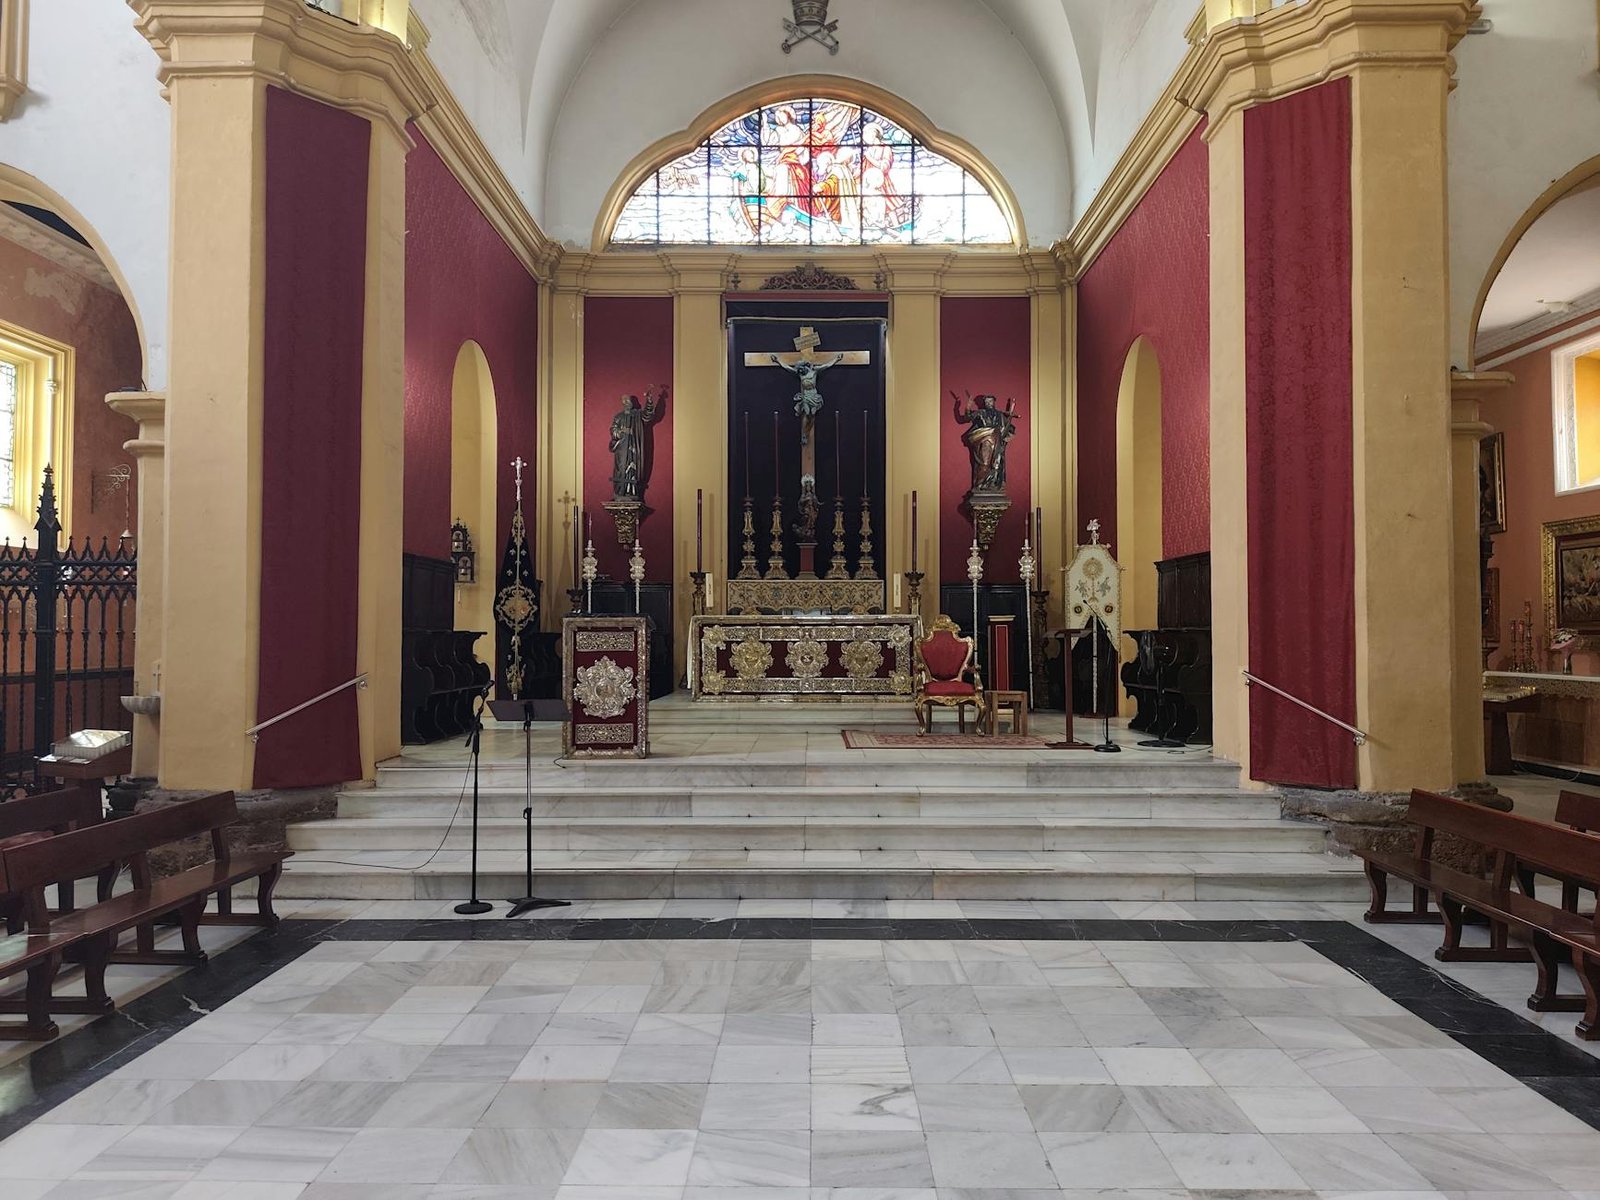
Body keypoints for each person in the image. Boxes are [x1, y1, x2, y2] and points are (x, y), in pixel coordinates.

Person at [954, 392, 1017, 491]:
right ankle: (979, 484)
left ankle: (993, 484)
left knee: (997, 464)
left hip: (997, 441)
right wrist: (968, 406)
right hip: (984, 440)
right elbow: (966, 418)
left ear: (994, 402)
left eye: (990, 401)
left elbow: (1006, 426)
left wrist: (1011, 410)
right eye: (986, 402)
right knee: (984, 463)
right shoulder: (980, 413)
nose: (988, 403)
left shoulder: (1000, 414)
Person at [609, 388, 664, 500]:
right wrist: (621, 432)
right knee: (621, 468)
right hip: (622, 448)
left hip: (635, 447)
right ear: (622, 403)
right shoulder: (618, 417)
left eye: (628, 400)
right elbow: (613, 429)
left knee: (634, 468)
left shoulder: (638, 415)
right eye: (624, 400)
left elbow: (648, 415)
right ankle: (620, 492)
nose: (627, 402)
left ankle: (633, 492)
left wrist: (649, 400)